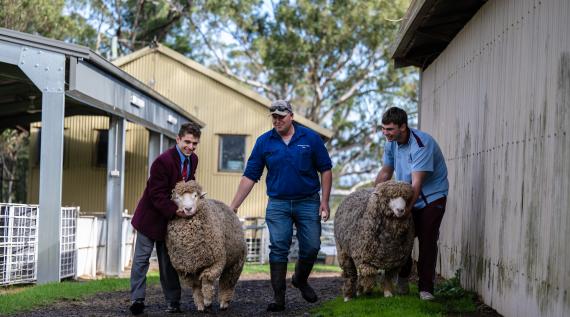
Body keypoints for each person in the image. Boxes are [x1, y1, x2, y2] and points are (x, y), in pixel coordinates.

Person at [230, 100, 332, 312]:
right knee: (278, 247)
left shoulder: (310, 138)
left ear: (291, 116)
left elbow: (326, 169)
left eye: (281, 117)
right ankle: (279, 298)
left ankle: (300, 279)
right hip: (278, 204)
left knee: (312, 246)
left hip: (308, 201)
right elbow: (250, 176)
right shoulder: (264, 142)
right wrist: (234, 206)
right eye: (274, 117)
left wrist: (324, 201)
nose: (277, 120)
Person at [374, 106, 448, 301]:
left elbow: (417, 184)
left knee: (427, 240)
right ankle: (403, 278)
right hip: (407, 195)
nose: (385, 133)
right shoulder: (390, 143)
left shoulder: (421, 144)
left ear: (403, 127)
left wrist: (408, 210)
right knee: (401, 238)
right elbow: (386, 172)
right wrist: (374, 196)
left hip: (432, 197)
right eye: (383, 128)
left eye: (389, 129)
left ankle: (426, 289)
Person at [129, 122, 201, 315]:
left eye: (194, 143)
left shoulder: (193, 159)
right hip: (150, 217)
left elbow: (188, 186)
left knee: (168, 262)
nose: (190, 147)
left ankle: (173, 302)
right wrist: (175, 211)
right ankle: (137, 300)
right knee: (141, 260)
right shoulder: (163, 161)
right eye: (187, 142)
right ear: (178, 139)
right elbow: (156, 194)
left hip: (170, 221)